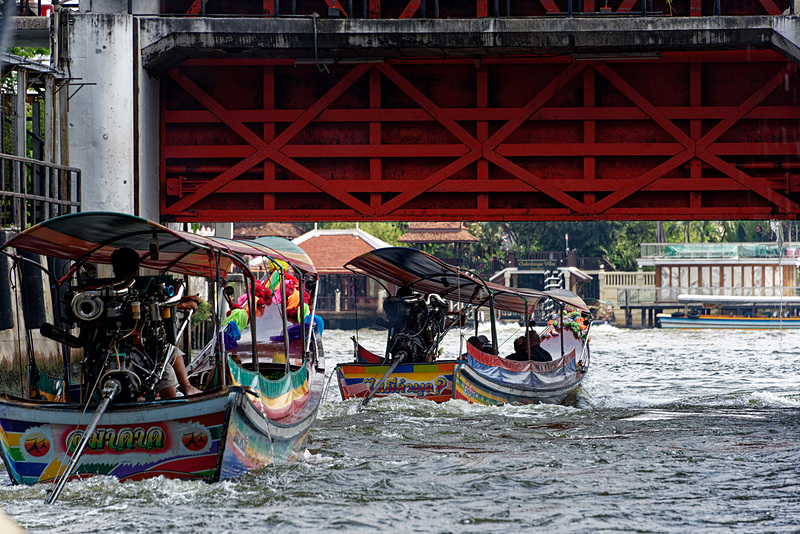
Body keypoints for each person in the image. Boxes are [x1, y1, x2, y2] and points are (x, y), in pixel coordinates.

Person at [109, 247, 202, 398]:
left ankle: (187, 387)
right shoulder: (123, 291)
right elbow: (147, 310)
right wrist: (182, 305)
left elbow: (157, 303)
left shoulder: (118, 288)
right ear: (137, 269)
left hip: (134, 348)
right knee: (163, 367)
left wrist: (184, 300)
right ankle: (175, 399)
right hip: (133, 350)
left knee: (171, 350)